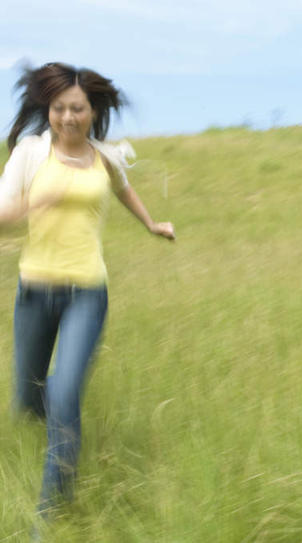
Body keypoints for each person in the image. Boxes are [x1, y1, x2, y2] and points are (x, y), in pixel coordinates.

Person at [0, 62, 175, 516]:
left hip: (87, 293)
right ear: (48, 109)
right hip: (35, 292)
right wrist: (35, 201)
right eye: (59, 108)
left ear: (93, 110)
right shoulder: (29, 153)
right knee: (28, 399)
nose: (68, 118)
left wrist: (152, 224)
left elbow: (123, 189)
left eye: (77, 109)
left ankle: (52, 512)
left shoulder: (105, 157)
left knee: (64, 393)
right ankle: (55, 431)